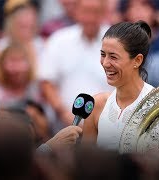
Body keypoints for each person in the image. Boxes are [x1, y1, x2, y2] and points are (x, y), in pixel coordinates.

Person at [38, 0, 113, 129]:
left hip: (108, 128)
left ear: (104, 13)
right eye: (85, 11)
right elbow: (46, 82)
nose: (90, 17)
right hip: (65, 126)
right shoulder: (59, 40)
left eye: (95, 12)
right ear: (76, 12)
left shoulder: (117, 42)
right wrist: (63, 113)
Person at [82, 21, 155, 151]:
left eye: (113, 57)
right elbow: (86, 163)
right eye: (103, 54)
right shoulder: (96, 105)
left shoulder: (157, 105)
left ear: (137, 60)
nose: (105, 63)